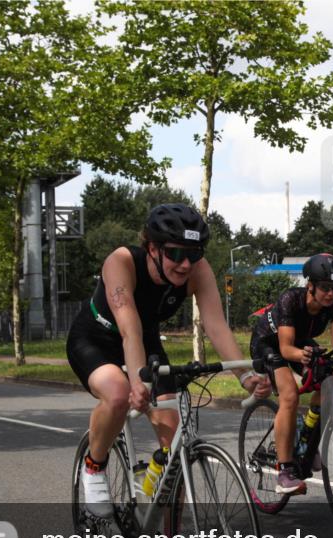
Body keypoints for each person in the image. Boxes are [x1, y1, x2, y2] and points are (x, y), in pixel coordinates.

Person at [66, 203, 271, 517]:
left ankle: (174, 536)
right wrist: (137, 382)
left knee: (174, 445)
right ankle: (94, 467)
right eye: (175, 253)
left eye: (195, 253)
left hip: (145, 341)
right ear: (152, 247)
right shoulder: (121, 262)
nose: (186, 264)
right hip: (96, 338)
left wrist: (245, 376)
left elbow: (216, 325)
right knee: (119, 394)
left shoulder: (197, 271)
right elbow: (128, 327)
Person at [249, 253, 333, 495]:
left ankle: (305, 442)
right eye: (325, 287)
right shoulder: (290, 300)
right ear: (310, 285)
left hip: (300, 342)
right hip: (269, 344)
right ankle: (284, 472)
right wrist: (302, 355)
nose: (331, 293)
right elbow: (286, 349)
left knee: (329, 382)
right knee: (290, 395)